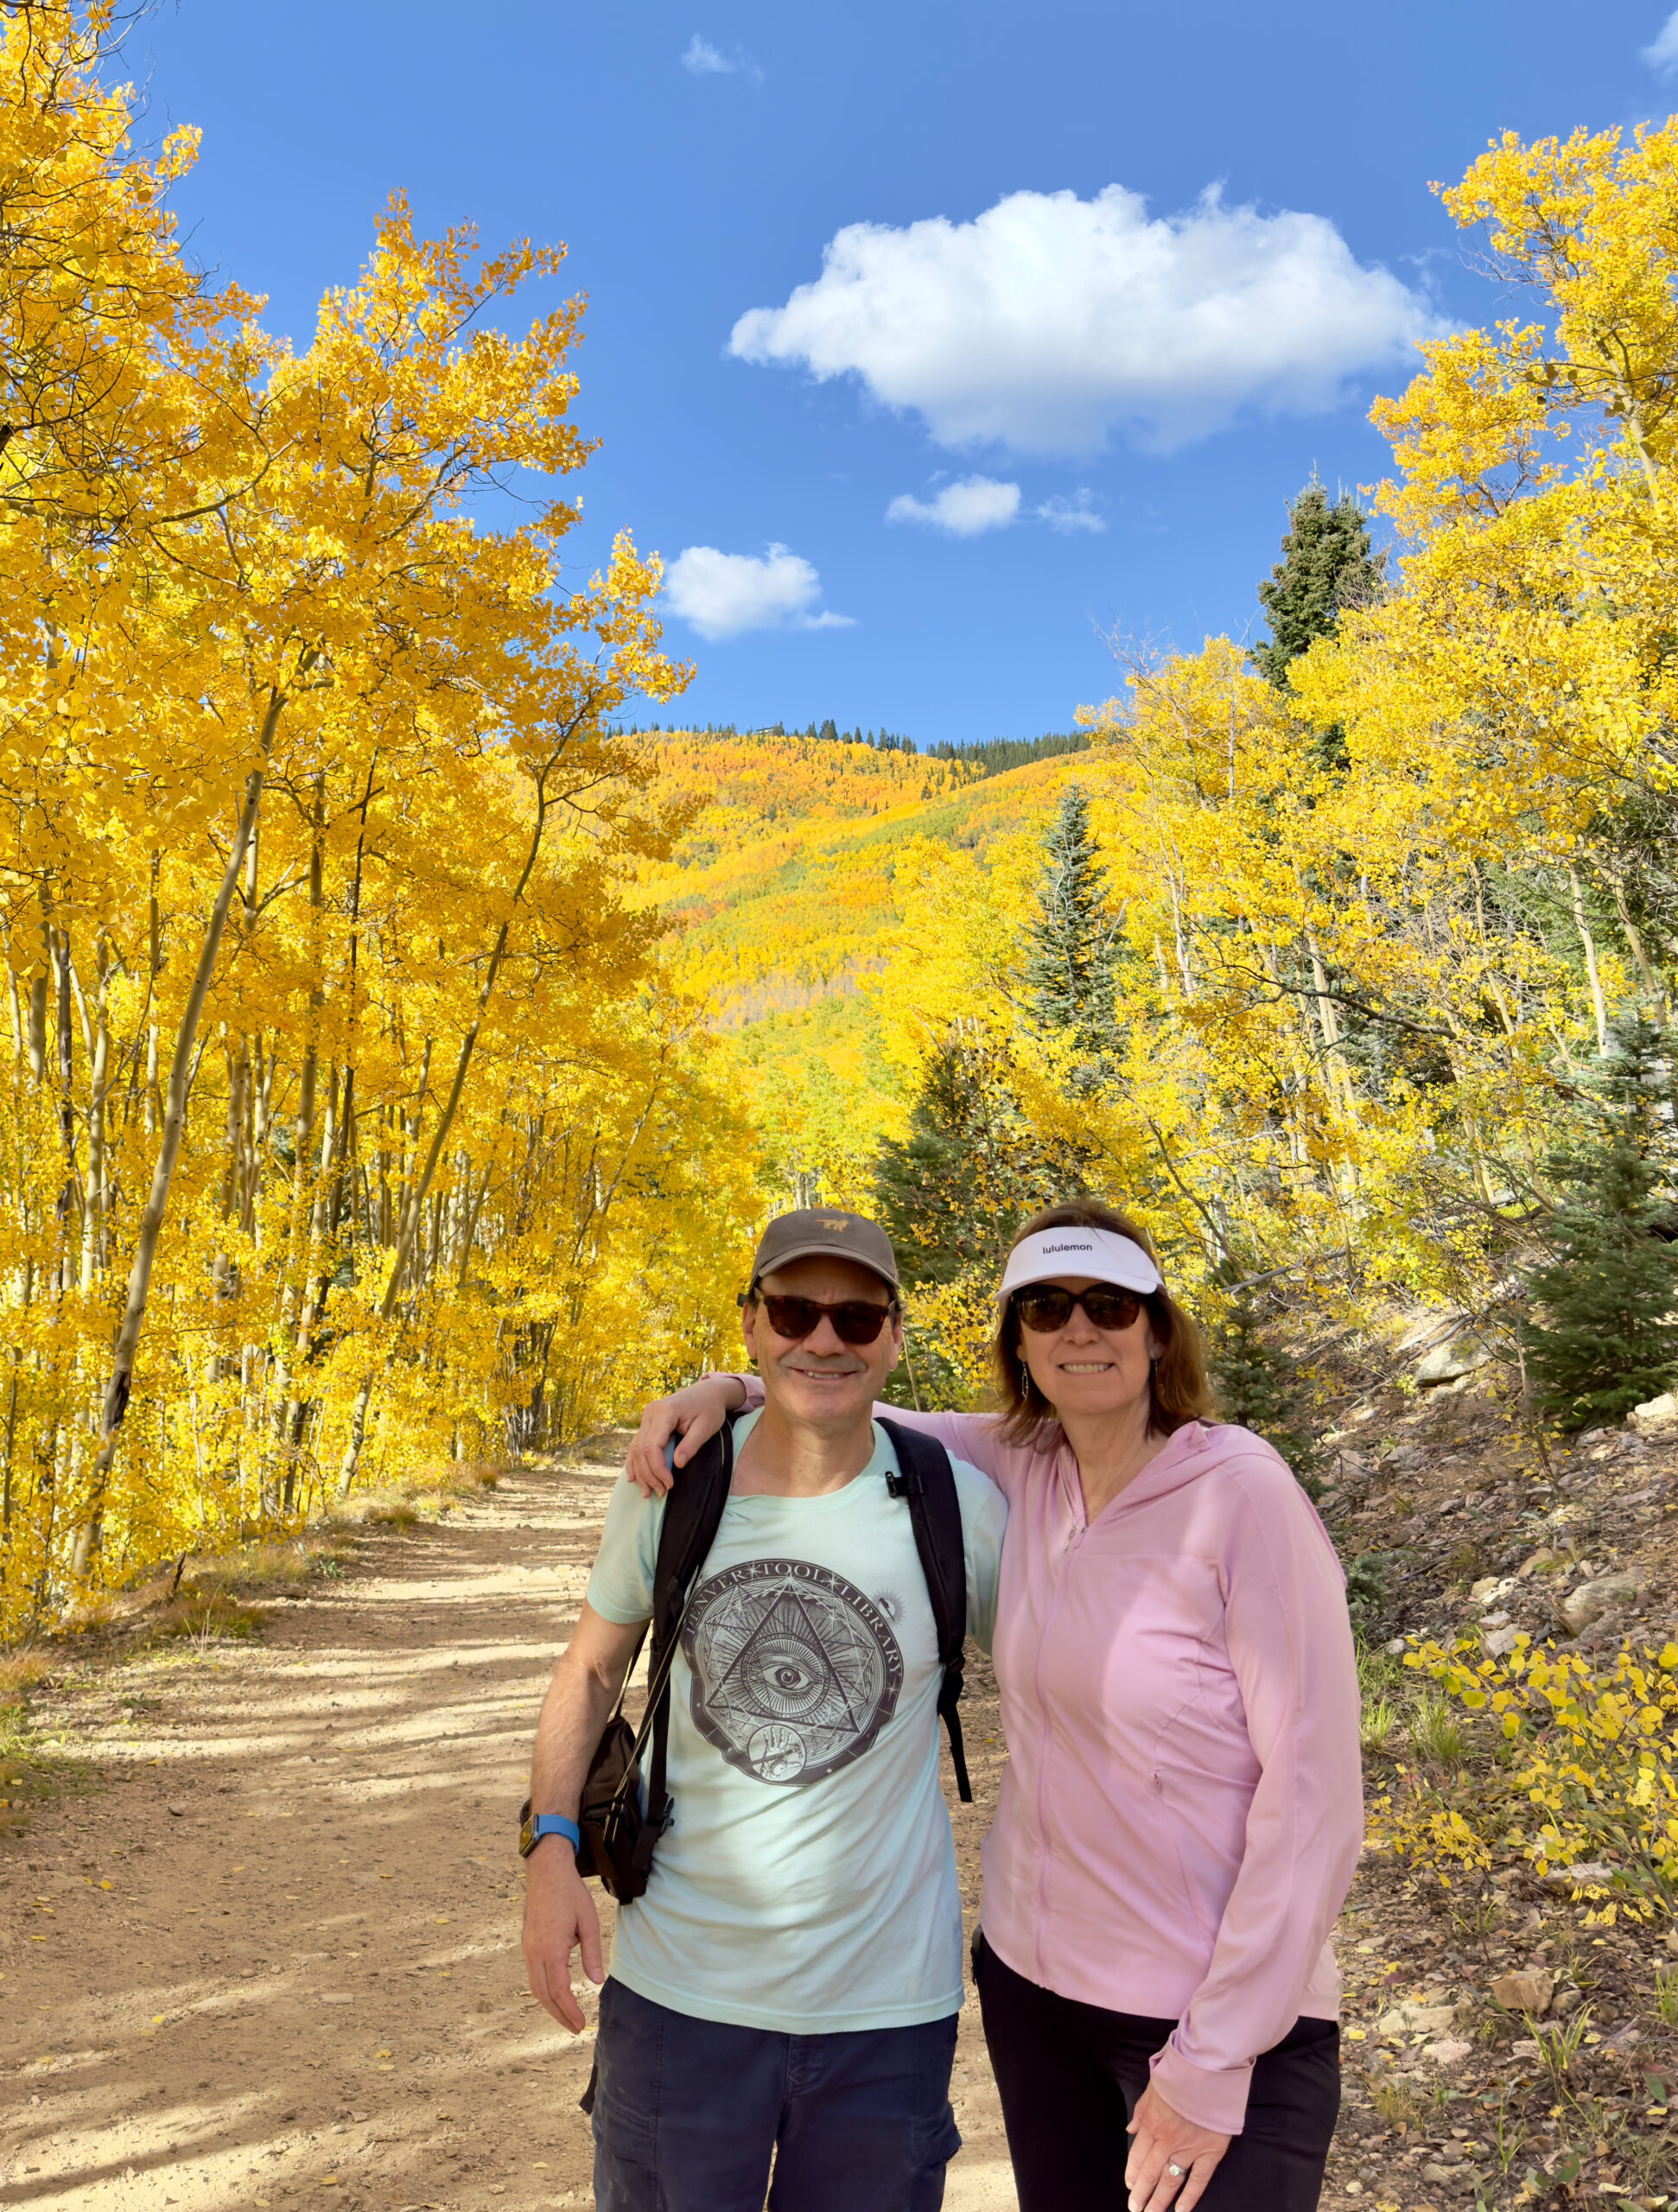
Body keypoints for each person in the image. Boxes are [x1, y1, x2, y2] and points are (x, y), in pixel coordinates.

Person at [626, 1198, 1363, 2212]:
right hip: (1037, 1996)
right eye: (1045, 1306)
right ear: (1018, 1341)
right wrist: (725, 1386)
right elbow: (846, 1400)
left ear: (1157, 1327)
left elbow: (1316, 1796)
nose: (1078, 1328)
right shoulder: (1021, 1462)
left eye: (1108, 1302)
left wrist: (1216, 2054)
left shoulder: (1240, 1494)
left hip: (1210, 2018)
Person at [521, 1206, 1007, 2212]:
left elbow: (1079, 1692)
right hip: (678, 2001)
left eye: (855, 1319)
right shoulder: (676, 1485)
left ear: (895, 1335)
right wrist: (548, 1852)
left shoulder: (955, 1503)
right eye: (792, 1310)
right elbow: (590, 1672)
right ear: (750, 1322)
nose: (822, 1339)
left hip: (886, 2013)